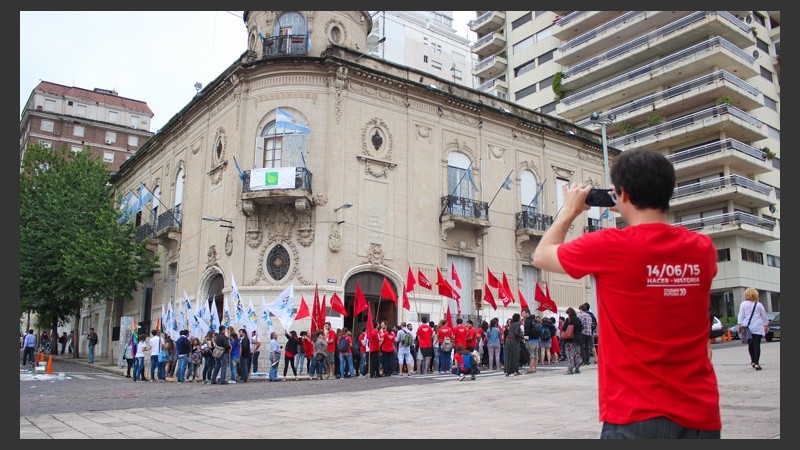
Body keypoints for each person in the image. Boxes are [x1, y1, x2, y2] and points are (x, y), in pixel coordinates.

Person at [532, 147, 721, 438]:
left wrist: (570, 210)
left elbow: (542, 256)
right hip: (701, 415)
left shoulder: (608, 245)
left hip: (635, 414)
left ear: (624, 195)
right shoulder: (703, 249)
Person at [738, 287, 768, 371]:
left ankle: (752, 361)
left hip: (747, 326)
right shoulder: (759, 304)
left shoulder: (743, 304)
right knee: (757, 345)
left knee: (750, 345)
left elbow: (741, 315)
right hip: (758, 326)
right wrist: (766, 325)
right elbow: (764, 316)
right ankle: (757, 363)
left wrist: (739, 325)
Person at [561, 307, 583, 375]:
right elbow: (581, 328)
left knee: (570, 354)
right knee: (577, 354)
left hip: (570, 339)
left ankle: (570, 369)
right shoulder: (578, 319)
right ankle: (577, 368)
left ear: (569, 313)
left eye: (567, 313)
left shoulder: (568, 319)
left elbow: (564, 328)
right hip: (578, 339)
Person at [521, 308, 540, 374]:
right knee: (536, 355)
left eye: (523, 313)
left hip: (530, 340)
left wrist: (525, 339)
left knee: (531, 355)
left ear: (527, 313)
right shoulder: (535, 320)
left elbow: (527, 332)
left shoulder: (527, 321)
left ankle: (531, 369)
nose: (522, 315)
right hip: (536, 340)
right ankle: (535, 368)